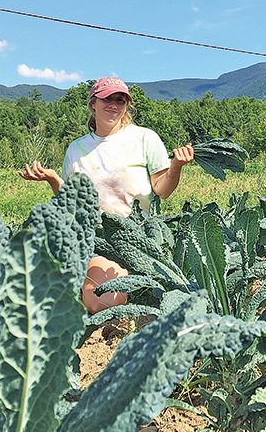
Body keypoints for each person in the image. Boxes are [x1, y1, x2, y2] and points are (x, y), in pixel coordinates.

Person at [19, 76, 194, 313]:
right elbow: (71, 202)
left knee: (105, 299)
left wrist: (176, 167)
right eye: (107, 99)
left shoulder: (144, 138)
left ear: (126, 106)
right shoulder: (77, 149)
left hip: (138, 235)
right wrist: (52, 178)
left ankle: (136, 284)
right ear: (93, 103)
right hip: (98, 238)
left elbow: (162, 190)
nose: (114, 104)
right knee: (97, 301)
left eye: (120, 100)